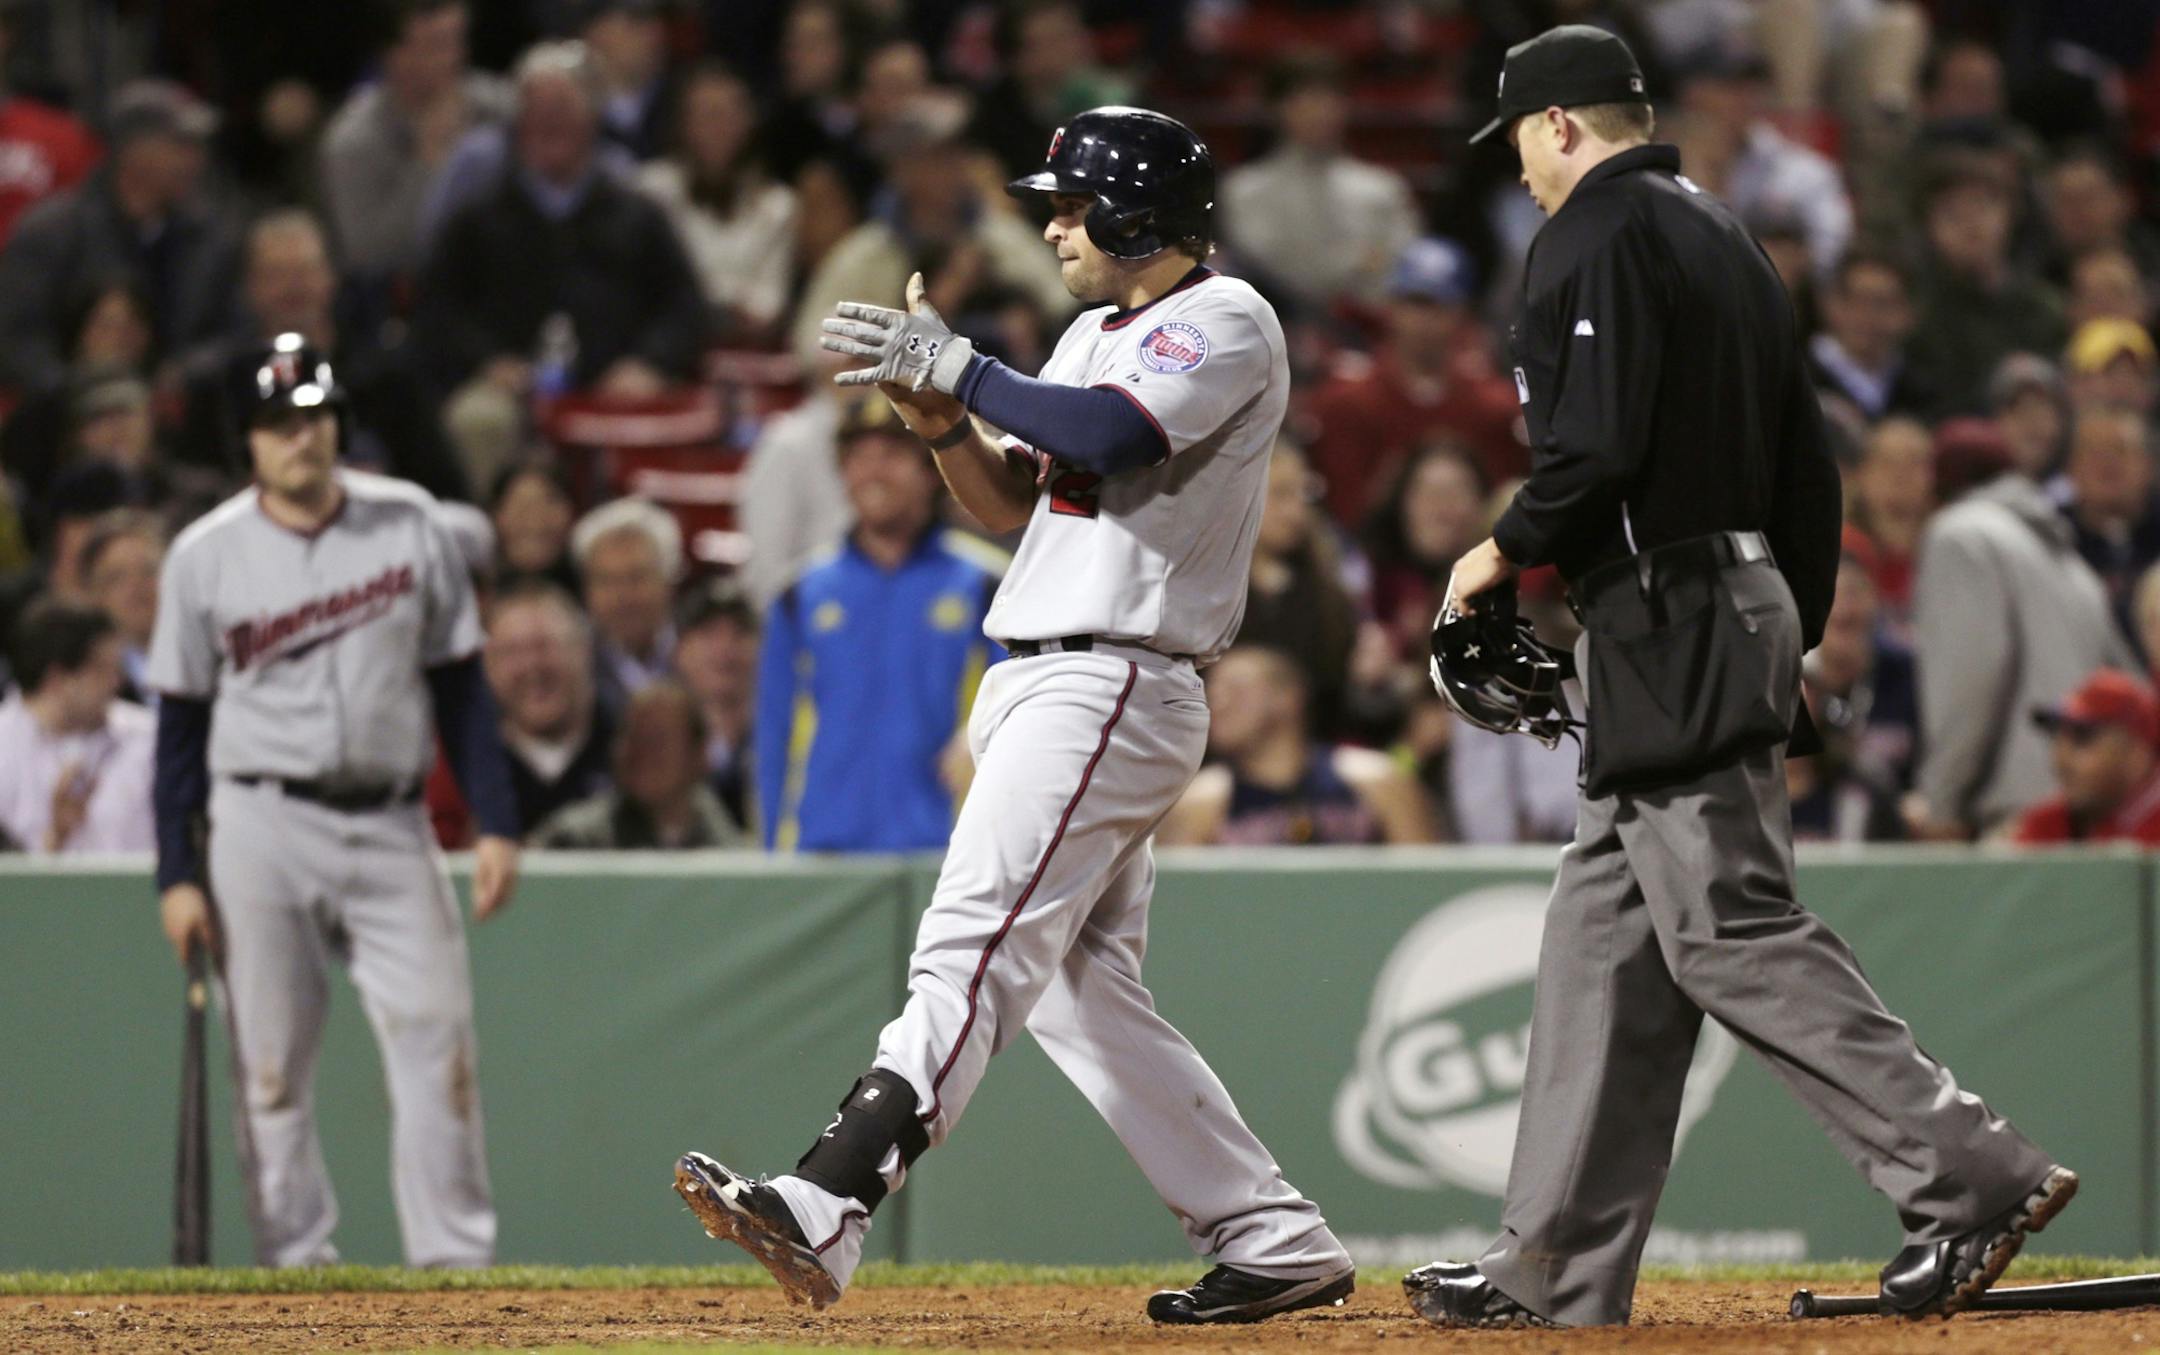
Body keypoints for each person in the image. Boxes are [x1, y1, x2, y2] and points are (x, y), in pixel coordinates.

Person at [1411, 27, 2073, 1331]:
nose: (1525, 179)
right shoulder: (1725, 234)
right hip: (1728, 596)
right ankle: (1546, 1264)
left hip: (1667, 610)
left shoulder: (1592, 235)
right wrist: (1791, 625)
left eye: (1525, 151)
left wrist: (1496, 551)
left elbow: (1592, 447)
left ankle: (1969, 1171)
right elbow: (1809, 465)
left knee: (1726, 924)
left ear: (1557, 128)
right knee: (1602, 934)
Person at [674, 106, 1356, 1326]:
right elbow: (1013, 502)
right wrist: (937, 417)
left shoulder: (1227, 316)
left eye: (1073, 203)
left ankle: (830, 1197)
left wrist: (967, 365)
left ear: (1143, 210)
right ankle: (1270, 1233)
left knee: (971, 942)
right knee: (1079, 991)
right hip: (1047, 668)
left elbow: (1108, 432)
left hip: (1114, 675)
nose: (1053, 223)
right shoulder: (1097, 329)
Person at [146, 334, 523, 1268]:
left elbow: (464, 690)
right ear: (249, 441)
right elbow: (180, 732)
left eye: (312, 416)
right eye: (279, 423)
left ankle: (455, 1267)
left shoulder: (410, 524)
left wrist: (497, 818)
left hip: (393, 821)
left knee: (439, 1042)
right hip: (259, 821)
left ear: (339, 423)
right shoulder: (205, 555)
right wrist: (176, 873)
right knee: (267, 1069)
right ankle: (294, 1265)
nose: (300, 438)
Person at [754, 396, 1004, 852]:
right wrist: (773, 853)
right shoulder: (798, 595)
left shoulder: (988, 586)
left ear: (932, 471)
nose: (873, 472)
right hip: (820, 850)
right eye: (858, 457)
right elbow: (773, 739)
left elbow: (1020, 713)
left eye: (892, 455)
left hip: (950, 852)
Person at [416, 41, 706, 421]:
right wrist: (486, 362)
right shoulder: (478, 219)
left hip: (616, 392)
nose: (547, 123)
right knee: (478, 421)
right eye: (535, 110)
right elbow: (438, 308)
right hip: (507, 394)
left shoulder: (639, 214)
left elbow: (686, 306)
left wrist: (648, 363)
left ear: (593, 116)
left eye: (561, 108)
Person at [1912, 408, 2134, 838]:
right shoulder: (2065, 555)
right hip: (2084, 811)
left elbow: (1970, 680)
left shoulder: (1959, 534)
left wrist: (1941, 802)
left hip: (2015, 816)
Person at [175, 208, 467, 502]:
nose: (293, 288)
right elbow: (199, 490)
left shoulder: (386, 377)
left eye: (304, 271)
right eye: (276, 275)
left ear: (331, 278)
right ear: (250, 287)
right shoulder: (218, 386)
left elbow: (442, 489)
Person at [0, 79, 237, 398]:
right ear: (132, 148)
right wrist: (85, 396)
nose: (196, 160)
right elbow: (15, 338)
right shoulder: (52, 233)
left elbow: (238, 330)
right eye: (181, 144)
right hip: (66, 430)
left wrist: (184, 373)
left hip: (181, 423)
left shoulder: (209, 235)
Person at [1303, 237, 1527, 526]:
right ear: (1392, 307)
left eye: (1438, 306)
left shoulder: (1495, 408)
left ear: (1462, 313)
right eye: (1415, 303)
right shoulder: (1345, 403)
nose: (1424, 320)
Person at [1160, 645, 1436, 846]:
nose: (1217, 702)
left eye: (1235, 688)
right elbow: (1183, 909)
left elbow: (1424, 886)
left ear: (1289, 697)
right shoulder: (1200, 803)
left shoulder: (1377, 781)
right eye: (1212, 691)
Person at [318, 0, 512, 283]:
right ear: (394, 55)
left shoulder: (500, 110)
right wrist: (428, 163)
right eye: (437, 45)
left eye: (457, 40)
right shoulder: (353, 141)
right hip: (403, 300)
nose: (456, 57)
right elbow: (371, 257)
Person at [635, 63, 797, 337]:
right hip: (664, 342)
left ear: (749, 123)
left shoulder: (778, 205)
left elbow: (769, 304)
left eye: (728, 115)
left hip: (747, 349)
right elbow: (646, 288)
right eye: (707, 115)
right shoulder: (650, 191)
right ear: (684, 124)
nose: (718, 128)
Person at [0, 599, 154, 853]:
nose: (117, 682)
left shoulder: (149, 737)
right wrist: (56, 837)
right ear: (57, 680)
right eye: (102, 669)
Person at [532, 679, 746, 849]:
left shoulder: (729, 851)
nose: (639, 753)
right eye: (631, 736)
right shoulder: (571, 841)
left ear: (699, 755)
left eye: (656, 740)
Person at [476, 578, 614, 835]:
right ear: (487, 667)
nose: (532, 667)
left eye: (545, 646)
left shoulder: (632, 749)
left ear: (584, 650)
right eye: (512, 652)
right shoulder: (463, 766)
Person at [2010, 669, 2160, 845]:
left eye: (2083, 736)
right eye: (2055, 736)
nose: (2061, 758)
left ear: (2136, 754)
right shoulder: (2049, 821)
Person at [570, 496, 681, 718]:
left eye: (637, 577)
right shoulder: (571, 668)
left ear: (669, 581)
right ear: (587, 592)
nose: (623, 596)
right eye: (607, 581)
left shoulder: (705, 659)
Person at [1808, 247, 1936, 424]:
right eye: (1856, 300)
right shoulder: (1800, 378)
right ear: (1831, 304)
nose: (1866, 316)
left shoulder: (1922, 391)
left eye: (1881, 304)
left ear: (1908, 312)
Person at [671, 577, 757, 829]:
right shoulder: (662, 743)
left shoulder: (789, 739)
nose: (725, 649)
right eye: (708, 633)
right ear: (679, 650)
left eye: (740, 632)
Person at [77, 508, 164, 704]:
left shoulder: (212, 662)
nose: (136, 586)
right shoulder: (83, 682)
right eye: (117, 577)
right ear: (92, 595)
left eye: (148, 570)